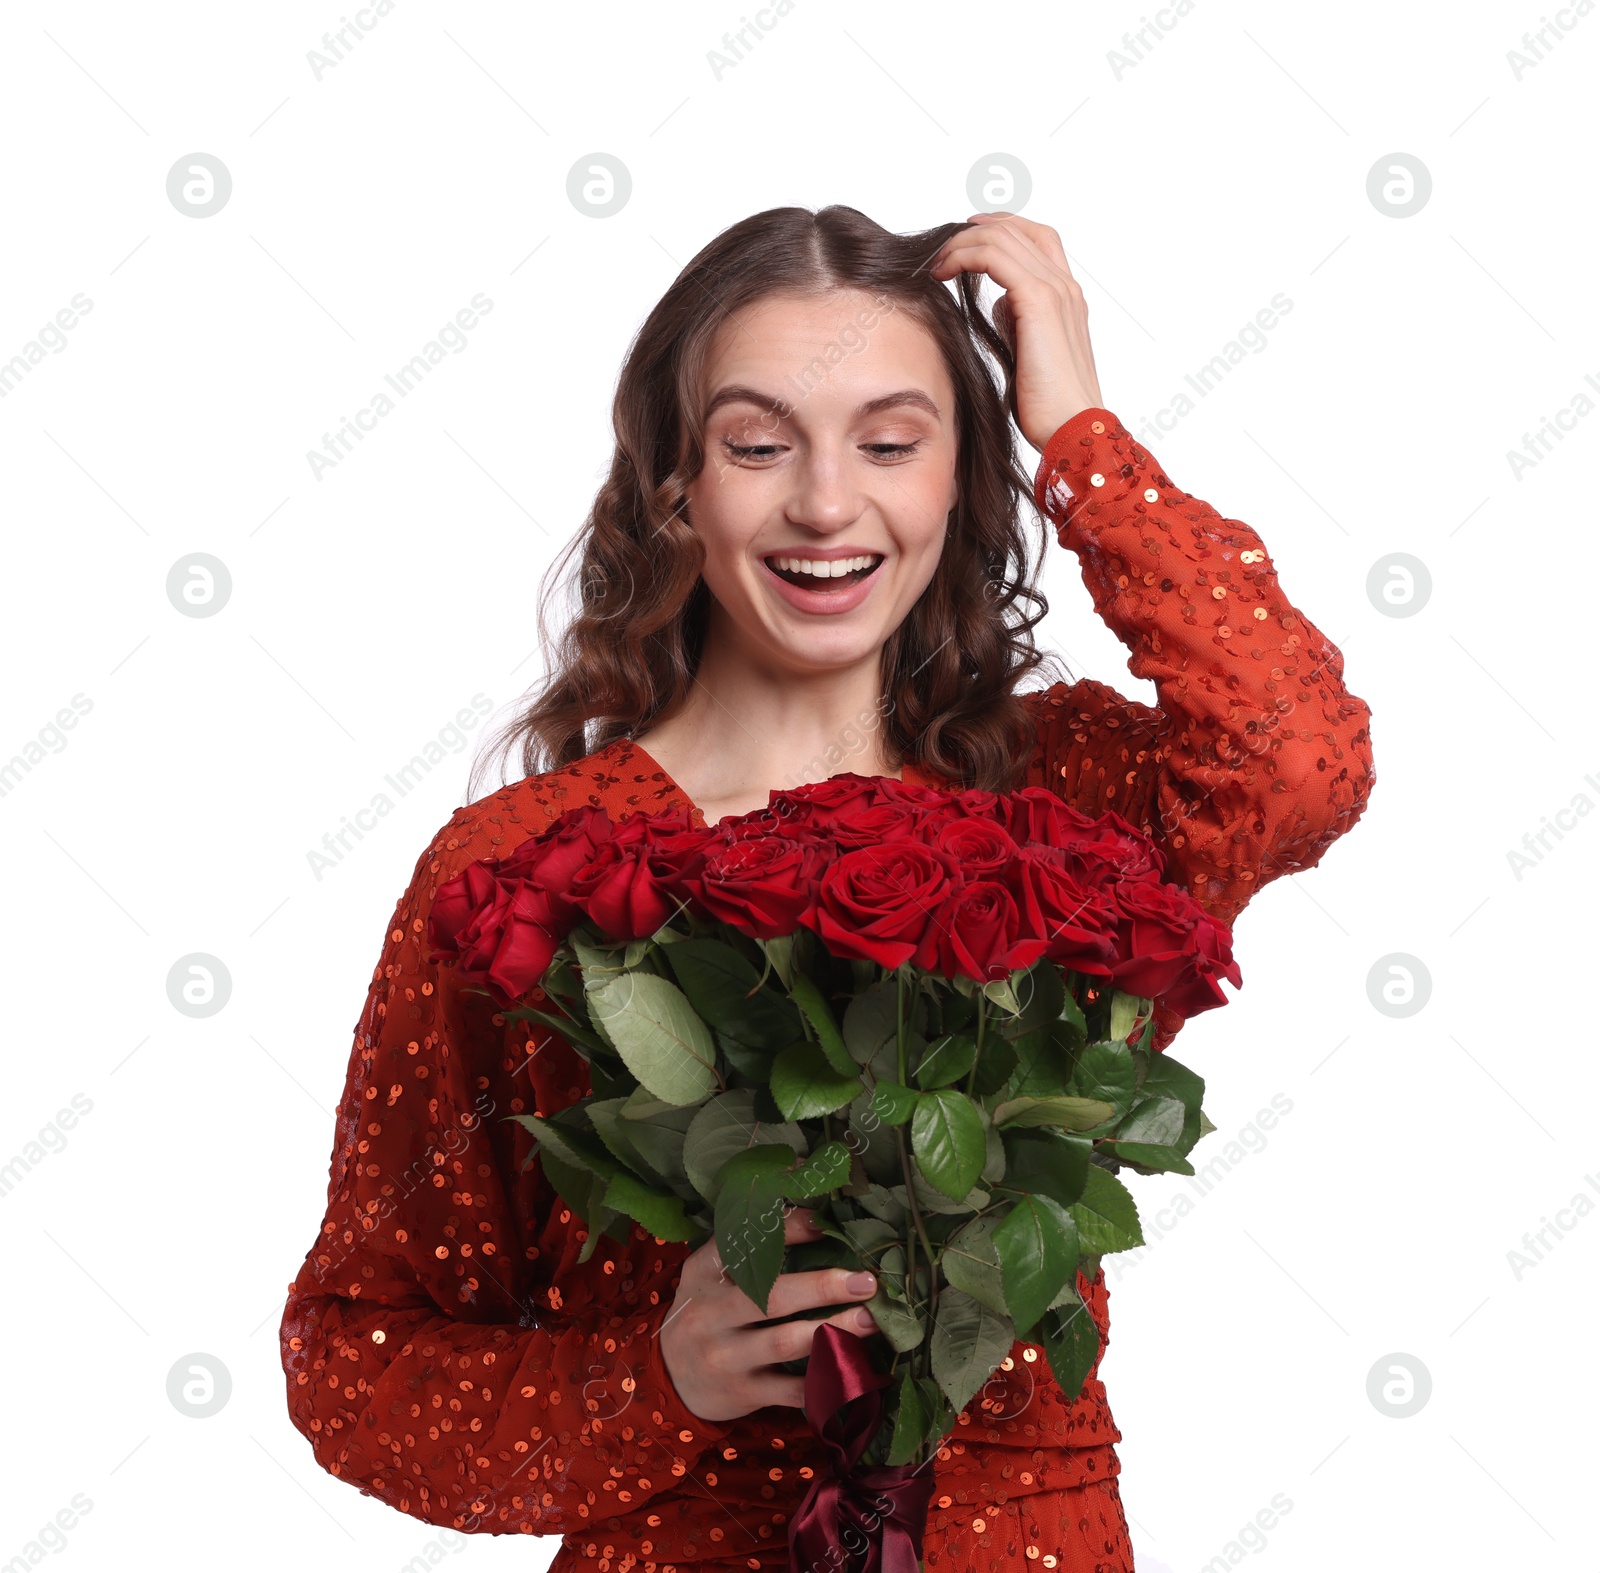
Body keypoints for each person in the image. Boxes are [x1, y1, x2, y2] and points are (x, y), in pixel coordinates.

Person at [279, 206, 1374, 1572]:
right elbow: (357, 1354)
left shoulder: (1059, 799)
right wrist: (652, 1375)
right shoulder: (529, 867)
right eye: (756, 443)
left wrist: (1087, 441)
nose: (823, 501)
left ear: (964, 476)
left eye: (892, 441)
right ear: (675, 485)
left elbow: (1298, 756)